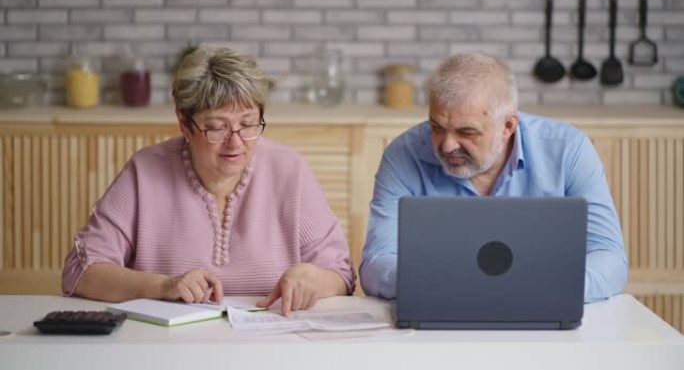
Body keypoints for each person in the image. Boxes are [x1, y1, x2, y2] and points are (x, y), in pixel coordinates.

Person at [62, 47, 354, 315]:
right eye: (217, 128)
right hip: (168, 349)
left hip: (270, 347)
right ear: (184, 123)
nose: (236, 142)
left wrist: (313, 279)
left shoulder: (290, 171)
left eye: (248, 123)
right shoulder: (145, 172)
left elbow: (341, 274)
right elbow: (81, 272)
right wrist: (163, 286)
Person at [360, 52, 627, 303]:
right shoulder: (402, 156)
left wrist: (551, 288)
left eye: (467, 132)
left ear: (508, 126)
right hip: (439, 313)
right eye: (437, 127)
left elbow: (609, 256)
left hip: (542, 312)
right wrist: (432, 283)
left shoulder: (568, 149)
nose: (447, 145)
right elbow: (376, 263)